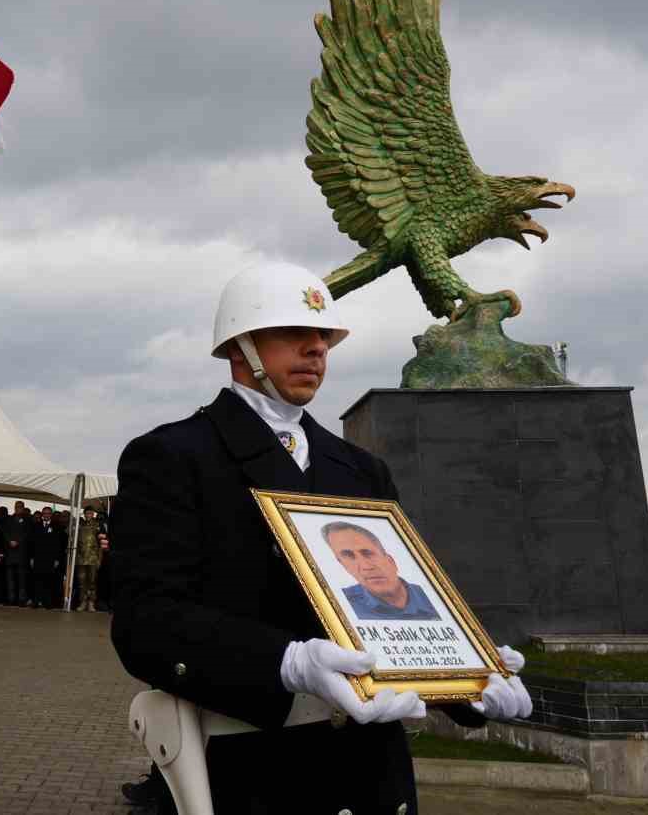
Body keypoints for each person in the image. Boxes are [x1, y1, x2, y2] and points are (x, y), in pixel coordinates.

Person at [111, 263, 532, 815]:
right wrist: (286, 661)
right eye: (295, 333)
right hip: (252, 767)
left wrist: (465, 675)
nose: (316, 350)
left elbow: (397, 601)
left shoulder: (360, 469)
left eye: (324, 338)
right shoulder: (173, 457)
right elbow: (147, 622)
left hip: (368, 770)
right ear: (242, 346)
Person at [322, 521, 441, 621]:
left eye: (368, 553)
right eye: (349, 556)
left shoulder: (436, 599)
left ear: (390, 561)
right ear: (343, 565)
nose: (365, 566)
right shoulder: (336, 605)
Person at [29, 505, 65, 608]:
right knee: (37, 580)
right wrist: (31, 557)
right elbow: (32, 543)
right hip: (38, 557)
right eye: (44, 513)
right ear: (42, 515)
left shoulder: (57, 527)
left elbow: (59, 544)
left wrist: (57, 559)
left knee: (49, 581)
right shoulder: (36, 526)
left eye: (48, 514)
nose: (46, 515)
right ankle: (36, 601)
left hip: (51, 559)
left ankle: (47, 602)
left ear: (51, 515)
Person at [0, 501, 31, 606]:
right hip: (9, 553)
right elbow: (4, 532)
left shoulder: (27, 520)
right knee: (10, 579)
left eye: (20, 507)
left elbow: (27, 534)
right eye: (17, 507)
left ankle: (21, 600)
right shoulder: (8, 519)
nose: (18, 508)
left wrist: (18, 541)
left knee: (21, 579)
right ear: (14, 508)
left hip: (21, 554)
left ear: (23, 508)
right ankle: (11, 599)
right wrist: (10, 541)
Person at [75, 504, 104, 612]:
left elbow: (101, 544)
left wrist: (100, 559)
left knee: (92, 582)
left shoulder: (98, 525)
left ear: (93, 514)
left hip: (93, 558)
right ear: (84, 514)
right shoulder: (80, 525)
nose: (89, 515)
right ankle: (83, 602)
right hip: (81, 558)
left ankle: (91, 603)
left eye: (91, 513)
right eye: (87, 513)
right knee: (82, 581)